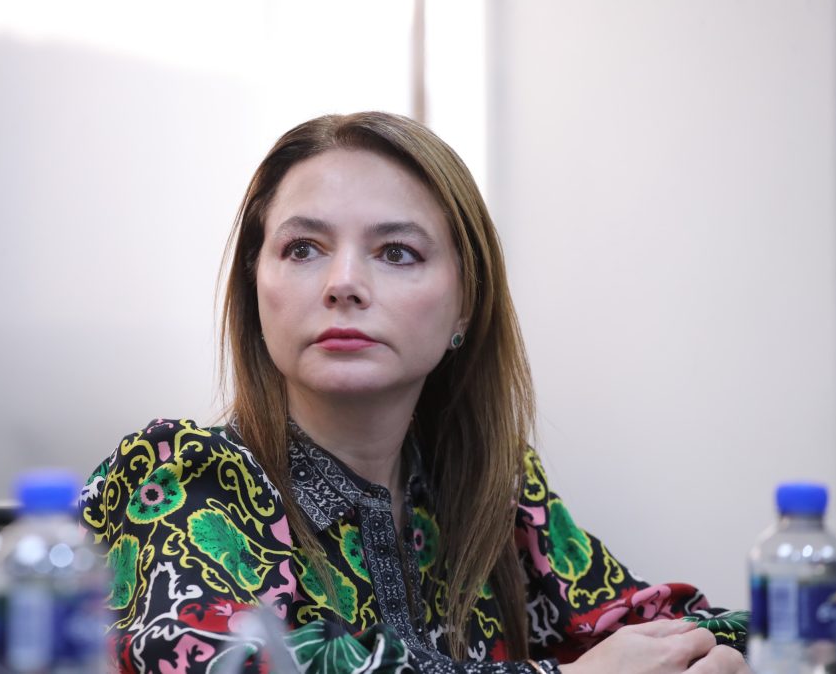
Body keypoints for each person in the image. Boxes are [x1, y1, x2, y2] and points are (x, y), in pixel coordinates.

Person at [80, 112, 749, 673]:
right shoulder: (179, 476)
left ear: (465, 307)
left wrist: (713, 653)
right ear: (256, 291)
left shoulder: (493, 485)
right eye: (304, 248)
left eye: (396, 252)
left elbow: (660, 623)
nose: (343, 283)